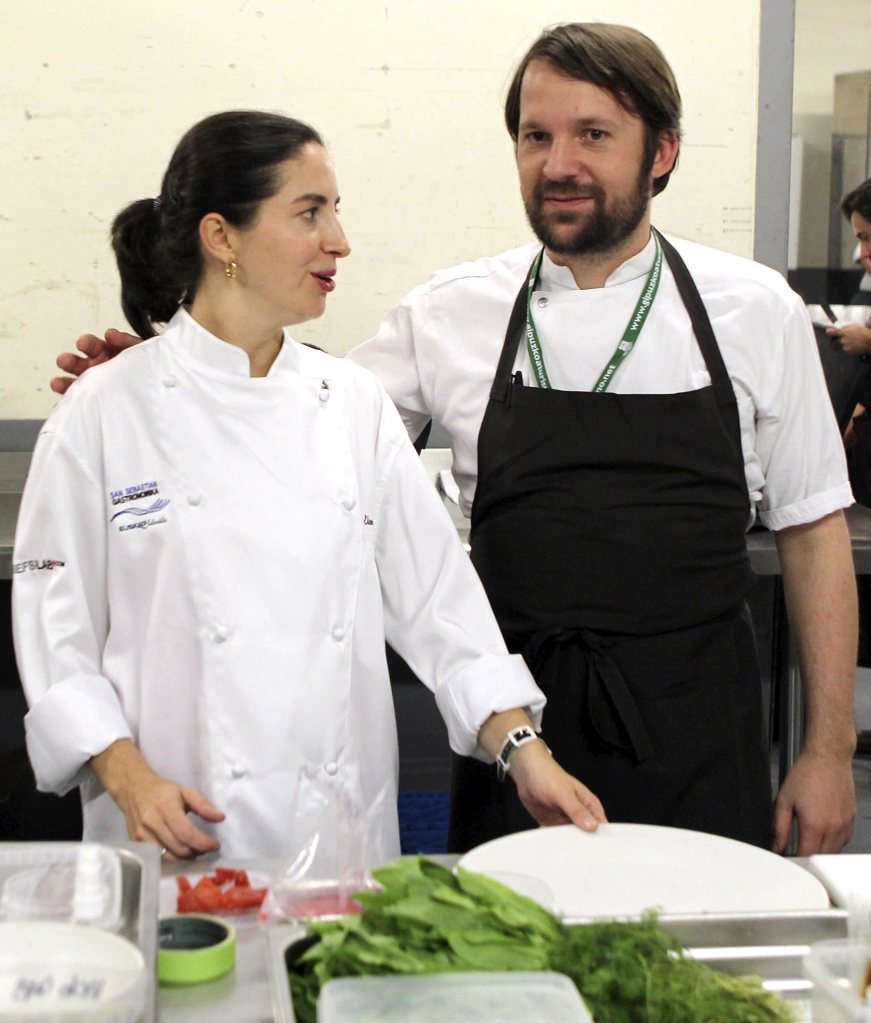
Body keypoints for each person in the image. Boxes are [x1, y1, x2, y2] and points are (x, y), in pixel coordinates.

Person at [51, 25, 858, 857]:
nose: (558, 163)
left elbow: (812, 529)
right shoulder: (449, 311)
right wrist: (173, 381)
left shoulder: (754, 308)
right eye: (534, 137)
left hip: (701, 723)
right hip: (510, 725)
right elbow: (294, 417)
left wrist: (828, 750)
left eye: (593, 135)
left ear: (661, 152)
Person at [15, 110, 605, 862]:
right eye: (309, 213)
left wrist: (526, 752)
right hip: (171, 833)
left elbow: (439, 607)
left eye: (335, 210)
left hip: (338, 839)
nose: (339, 241)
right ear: (221, 236)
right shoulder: (103, 410)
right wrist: (129, 776)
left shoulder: (352, 403)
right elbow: (55, 634)